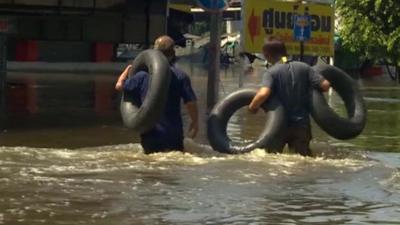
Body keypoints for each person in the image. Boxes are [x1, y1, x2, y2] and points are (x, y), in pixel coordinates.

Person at [115, 36, 199, 154]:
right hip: (174, 135)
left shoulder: (142, 77)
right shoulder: (181, 76)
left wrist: (127, 70)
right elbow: (190, 103)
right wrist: (195, 122)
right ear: (173, 53)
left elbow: (119, 86)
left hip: (151, 134)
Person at [248, 39, 331, 157]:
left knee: (273, 159)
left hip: (278, 126)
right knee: (303, 160)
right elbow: (325, 85)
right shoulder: (304, 67)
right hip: (301, 126)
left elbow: (263, 93)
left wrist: (252, 108)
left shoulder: (271, 72)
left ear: (267, 55)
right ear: (285, 52)